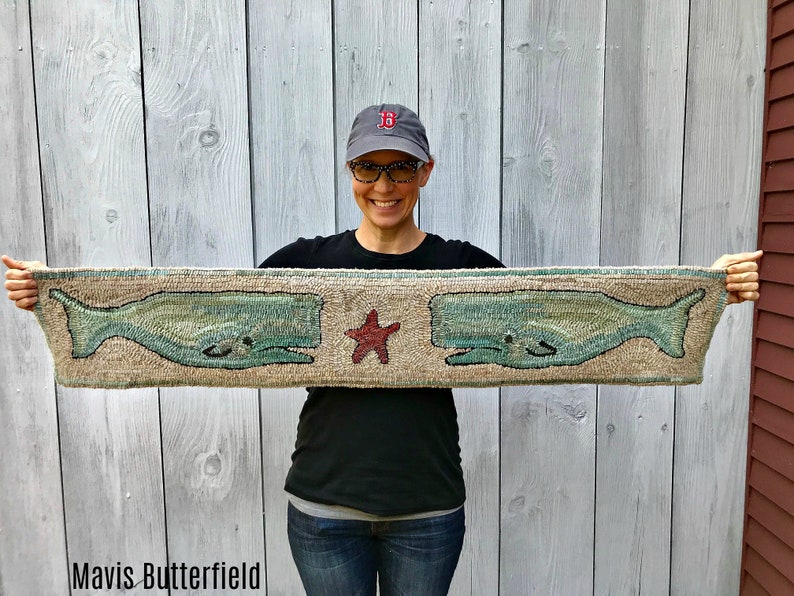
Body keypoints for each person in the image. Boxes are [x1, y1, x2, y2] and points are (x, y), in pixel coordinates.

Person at [3, 104, 763, 596]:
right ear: (351, 172)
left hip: (429, 508)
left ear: (424, 173)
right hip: (323, 506)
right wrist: (62, 298)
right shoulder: (305, 264)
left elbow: (569, 323)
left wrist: (705, 290)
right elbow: (197, 320)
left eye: (401, 167)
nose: (385, 183)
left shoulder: (467, 269)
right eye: (370, 167)